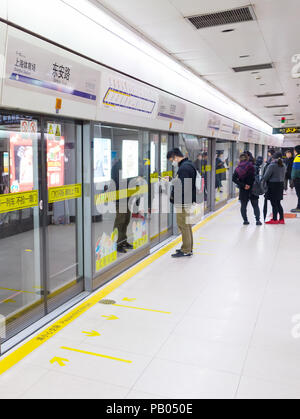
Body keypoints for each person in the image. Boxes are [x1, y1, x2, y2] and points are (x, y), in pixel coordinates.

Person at [167, 148, 197, 258]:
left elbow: (183, 187)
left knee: (183, 225)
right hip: (188, 199)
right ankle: (188, 247)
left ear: (175, 157)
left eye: (172, 160)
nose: (172, 163)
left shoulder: (183, 168)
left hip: (183, 201)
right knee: (186, 225)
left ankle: (186, 250)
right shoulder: (189, 164)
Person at [233, 153, 262, 226]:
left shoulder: (237, 168)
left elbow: (234, 179)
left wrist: (243, 185)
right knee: (255, 205)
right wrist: (249, 185)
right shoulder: (252, 167)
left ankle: (245, 220)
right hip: (253, 189)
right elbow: (254, 177)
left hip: (243, 190)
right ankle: (258, 220)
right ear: (247, 158)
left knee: (243, 205)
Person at [262, 152, 286, 224]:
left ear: (273, 158)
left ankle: (274, 219)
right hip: (280, 185)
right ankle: (281, 219)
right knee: (278, 203)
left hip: (273, 185)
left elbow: (266, 177)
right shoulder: (283, 165)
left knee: (273, 203)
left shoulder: (272, 165)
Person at [291, 145, 300, 213]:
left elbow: (295, 170)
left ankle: (299, 208)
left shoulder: (297, 158)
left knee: (299, 193)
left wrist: (293, 178)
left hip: (298, 179)